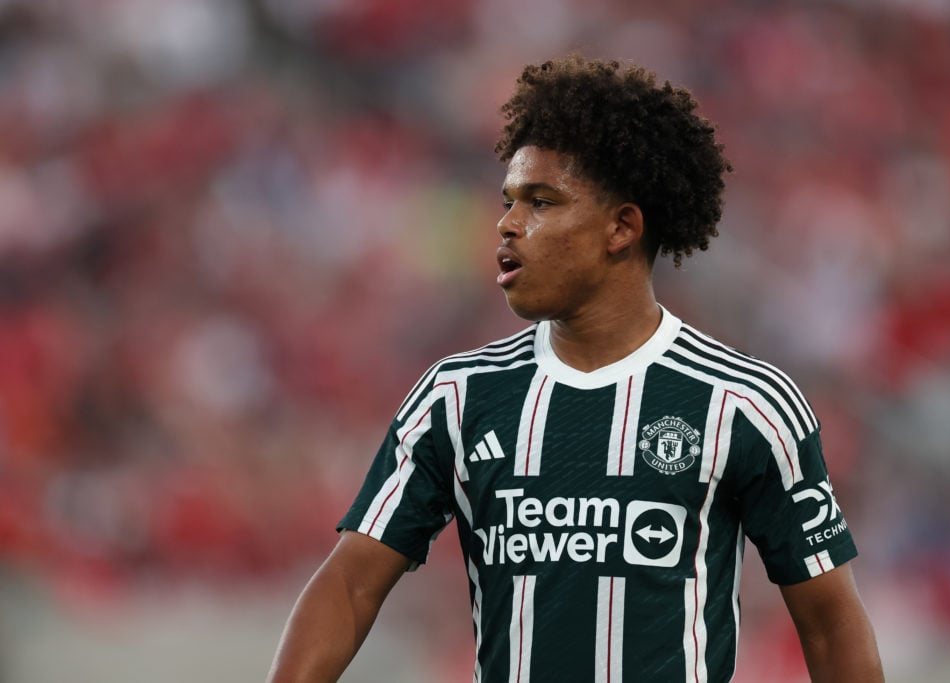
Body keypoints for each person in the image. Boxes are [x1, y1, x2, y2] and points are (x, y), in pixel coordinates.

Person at [267, 55, 884, 682]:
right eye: (509, 200)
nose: (508, 224)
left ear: (621, 227)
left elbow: (830, 623)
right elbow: (348, 587)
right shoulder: (456, 396)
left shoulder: (744, 404)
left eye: (541, 201)